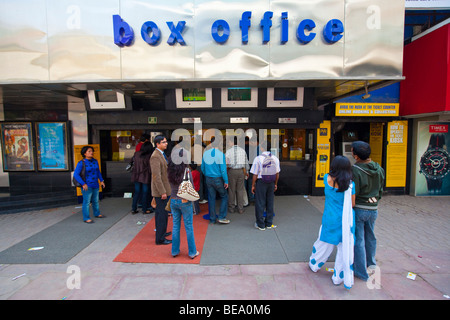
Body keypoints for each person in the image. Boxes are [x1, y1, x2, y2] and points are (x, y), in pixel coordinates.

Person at [309, 155, 356, 289]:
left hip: (330, 217)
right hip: (345, 220)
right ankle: (338, 277)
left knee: (323, 241)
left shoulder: (326, 178)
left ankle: (315, 264)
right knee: (343, 247)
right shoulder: (350, 185)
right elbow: (352, 204)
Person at [351, 141, 385, 281]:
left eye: (352, 151)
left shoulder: (355, 170)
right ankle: (371, 264)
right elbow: (381, 189)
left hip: (359, 208)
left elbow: (354, 191)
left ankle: (360, 271)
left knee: (358, 239)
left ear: (356, 156)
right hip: (373, 208)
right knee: (370, 236)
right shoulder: (379, 169)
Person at [168, 149, 199, 259]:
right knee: (188, 226)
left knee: (175, 226)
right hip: (185, 200)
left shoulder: (169, 170)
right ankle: (192, 252)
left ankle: (174, 251)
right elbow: (191, 187)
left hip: (173, 199)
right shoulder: (186, 171)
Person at [250, 140, 280, 230]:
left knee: (260, 203)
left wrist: (253, 185)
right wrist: (275, 184)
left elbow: (255, 174)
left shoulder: (258, 158)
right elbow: (277, 173)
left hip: (261, 182)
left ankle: (260, 224)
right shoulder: (275, 158)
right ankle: (269, 223)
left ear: (262, 148)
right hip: (271, 182)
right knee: (270, 202)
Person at [73, 146, 106, 223]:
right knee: (87, 202)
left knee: (95, 200)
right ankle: (86, 218)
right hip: (87, 185)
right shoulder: (81, 163)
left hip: (95, 184)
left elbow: (98, 171)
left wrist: (101, 180)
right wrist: (83, 184)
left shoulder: (95, 161)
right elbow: (76, 175)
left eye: (92, 151)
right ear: (84, 153)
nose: (91, 153)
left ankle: (97, 213)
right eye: (89, 151)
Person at [201, 137, 230, 224]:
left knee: (211, 198)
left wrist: (207, 174)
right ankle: (221, 217)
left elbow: (203, 167)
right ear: (219, 144)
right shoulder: (221, 154)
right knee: (224, 196)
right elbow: (223, 170)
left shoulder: (205, 154)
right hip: (218, 178)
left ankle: (212, 219)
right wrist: (226, 181)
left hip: (208, 178)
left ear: (210, 143)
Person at [150, 135, 172, 245]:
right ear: (157, 144)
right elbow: (156, 176)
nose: (166, 143)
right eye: (163, 142)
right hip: (161, 191)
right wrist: (162, 191)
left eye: (166, 141)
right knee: (162, 215)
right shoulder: (155, 156)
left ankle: (161, 232)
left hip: (164, 189)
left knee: (161, 213)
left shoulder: (161, 154)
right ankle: (160, 238)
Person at [225, 137, 249, 214]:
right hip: (241, 171)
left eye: (229, 142)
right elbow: (246, 163)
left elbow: (226, 164)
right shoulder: (243, 151)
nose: (228, 143)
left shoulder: (228, 152)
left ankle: (231, 208)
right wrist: (247, 171)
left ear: (232, 142)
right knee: (240, 190)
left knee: (231, 190)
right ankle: (240, 208)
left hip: (231, 171)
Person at [131, 141, 153, 214]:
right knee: (145, 193)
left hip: (136, 175)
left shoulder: (136, 154)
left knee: (137, 192)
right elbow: (150, 168)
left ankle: (134, 208)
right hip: (145, 176)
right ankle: (144, 209)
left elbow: (132, 162)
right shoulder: (149, 156)